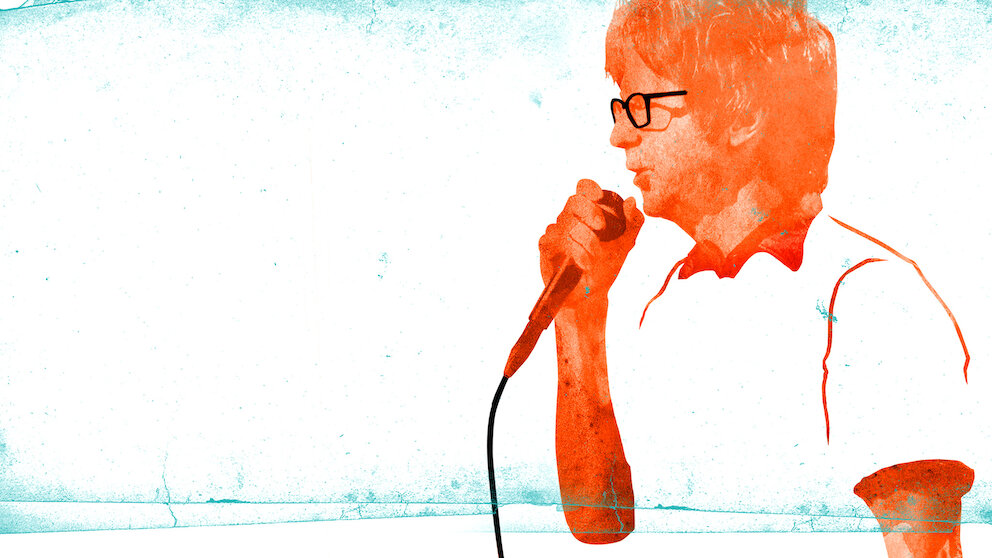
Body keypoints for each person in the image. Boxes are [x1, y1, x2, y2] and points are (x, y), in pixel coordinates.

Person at [538, 0, 975, 556]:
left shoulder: (870, 295)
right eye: (621, 107)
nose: (620, 134)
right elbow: (600, 524)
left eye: (644, 106)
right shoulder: (663, 301)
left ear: (743, 114)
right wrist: (579, 314)